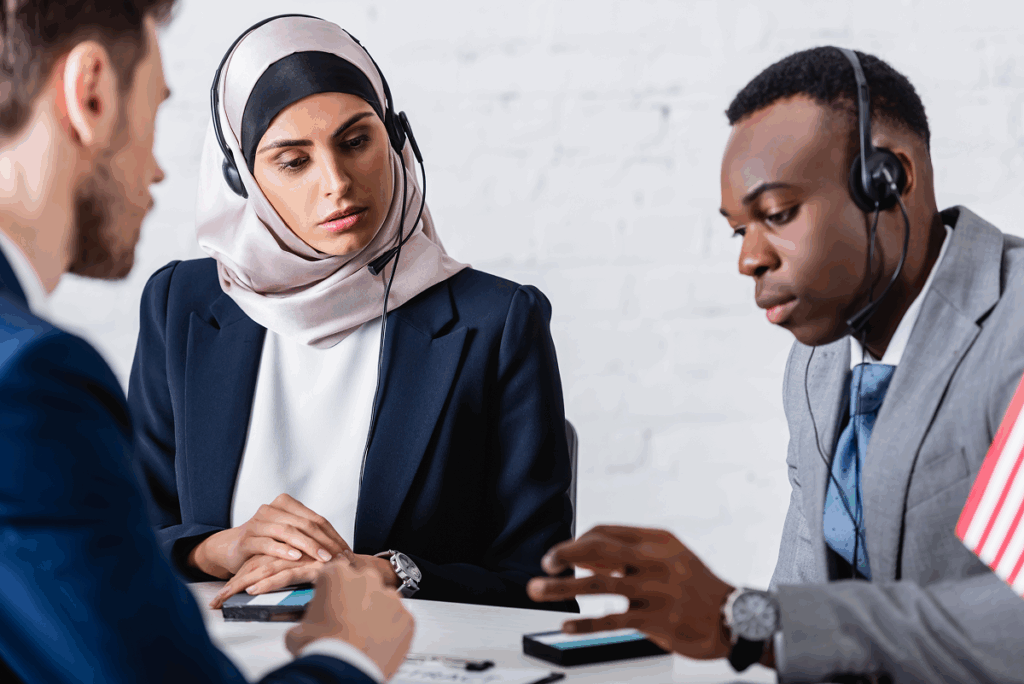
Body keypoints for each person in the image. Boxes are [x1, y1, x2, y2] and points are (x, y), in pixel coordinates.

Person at [528, 47, 1024, 683]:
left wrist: (745, 620)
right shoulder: (816, 368)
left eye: (778, 214)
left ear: (888, 180)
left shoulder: (1011, 334)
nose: (749, 260)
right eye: (740, 230)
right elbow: (800, 593)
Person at [0, 2, 413, 681]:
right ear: (93, 93)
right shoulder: (30, 381)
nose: (159, 172)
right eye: (153, 112)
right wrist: (348, 652)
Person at [127, 14, 575, 612]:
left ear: (395, 140)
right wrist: (215, 549)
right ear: (243, 178)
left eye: (356, 141)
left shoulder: (497, 323)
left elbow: (541, 590)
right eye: (294, 161)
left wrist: (392, 573)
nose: (336, 183)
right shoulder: (180, 305)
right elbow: (123, 533)